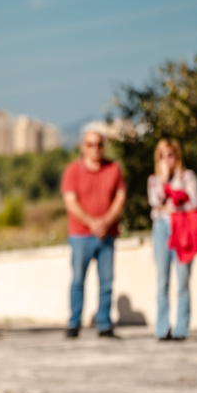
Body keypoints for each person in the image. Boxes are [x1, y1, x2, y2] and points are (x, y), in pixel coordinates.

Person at [60, 129, 126, 339]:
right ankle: (74, 323)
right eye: (90, 144)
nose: (94, 148)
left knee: (106, 282)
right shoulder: (72, 170)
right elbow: (70, 201)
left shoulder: (114, 168)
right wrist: (92, 223)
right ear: (82, 146)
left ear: (103, 146)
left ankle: (104, 324)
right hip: (80, 235)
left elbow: (120, 196)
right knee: (78, 280)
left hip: (108, 234)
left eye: (98, 144)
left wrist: (106, 222)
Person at [147, 139, 197, 341]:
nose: (167, 159)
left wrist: (173, 206)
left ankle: (181, 329)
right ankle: (162, 329)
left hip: (183, 229)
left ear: (176, 156)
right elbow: (155, 201)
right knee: (162, 281)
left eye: (170, 154)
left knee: (183, 280)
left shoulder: (187, 176)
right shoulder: (154, 179)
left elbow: (194, 201)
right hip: (161, 229)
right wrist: (163, 179)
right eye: (163, 155)